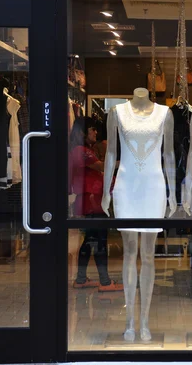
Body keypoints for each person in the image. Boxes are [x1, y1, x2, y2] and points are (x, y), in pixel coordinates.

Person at [69, 116, 123, 291]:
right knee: (99, 240)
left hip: (90, 199)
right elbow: (101, 167)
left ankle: (81, 278)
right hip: (92, 200)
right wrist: (125, 163)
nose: (95, 132)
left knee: (90, 240)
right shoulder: (81, 150)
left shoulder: (84, 149)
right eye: (92, 129)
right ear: (83, 132)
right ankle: (105, 282)